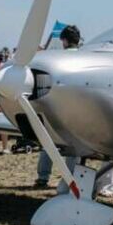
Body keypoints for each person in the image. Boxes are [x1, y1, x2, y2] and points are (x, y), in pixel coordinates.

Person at [35, 25, 81, 188]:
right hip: (77, 107)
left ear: (64, 41)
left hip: (57, 106)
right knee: (74, 146)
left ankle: (43, 176)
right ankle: (70, 178)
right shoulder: (83, 57)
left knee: (49, 141)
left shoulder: (58, 57)